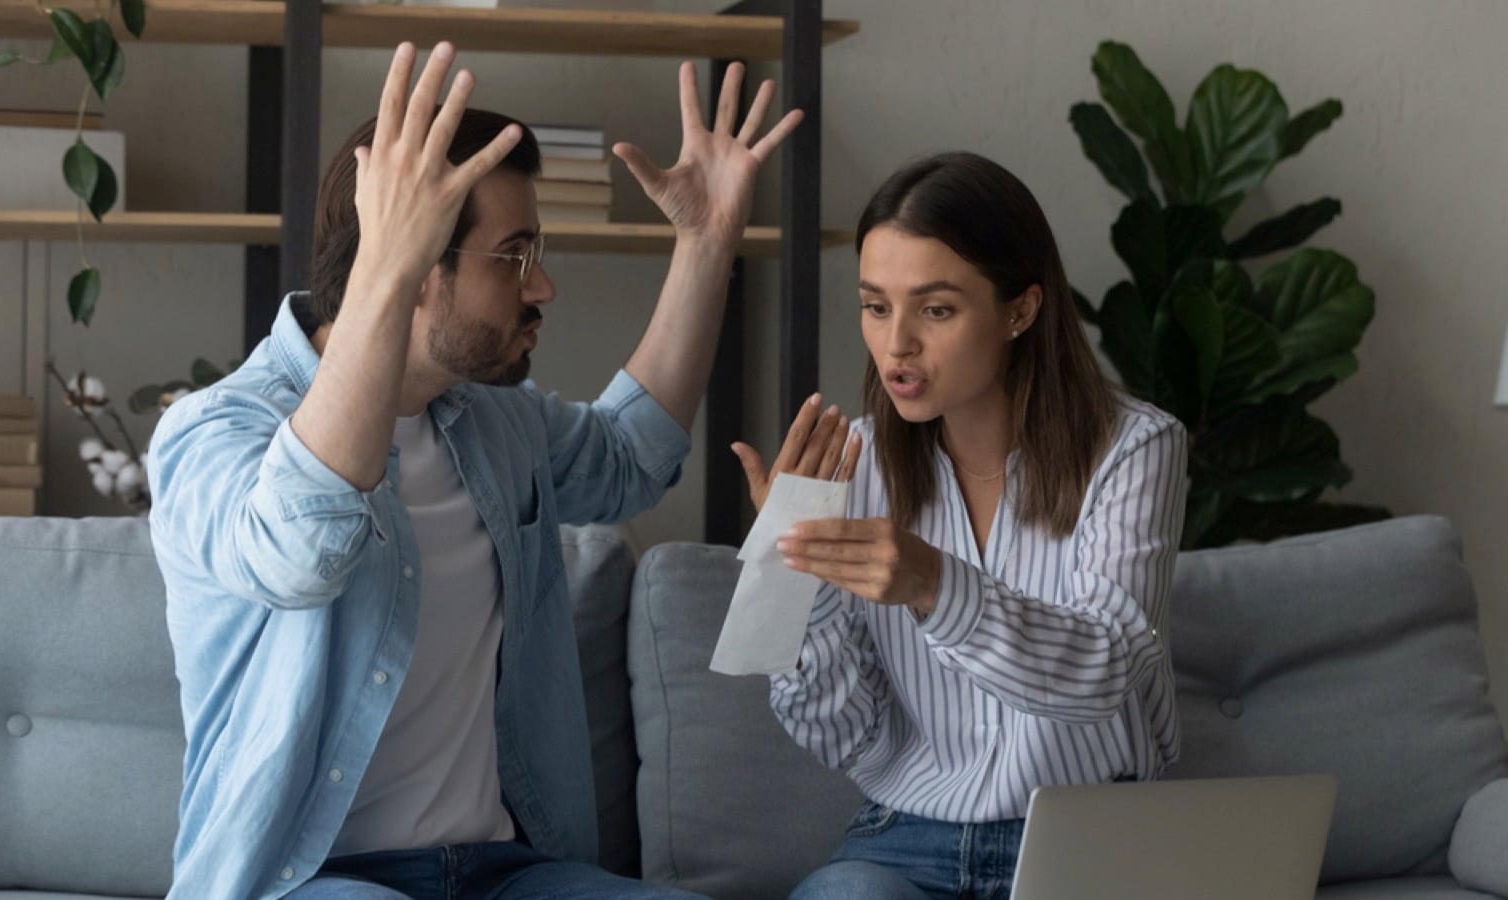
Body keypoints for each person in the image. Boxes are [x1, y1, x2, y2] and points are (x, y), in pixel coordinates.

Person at [147, 41, 800, 900]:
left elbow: (630, 457)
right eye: (515, 256)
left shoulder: (492, 419)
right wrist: (386, 264)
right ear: (416, 267)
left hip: (503, 872)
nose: (543, 289)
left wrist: (708, 241)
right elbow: (298, 555)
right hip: (306, 882)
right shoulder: (214, 431)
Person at [731, 152, 1189, 900]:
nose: (896, 345)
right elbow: (843, 735)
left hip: (1089, 839)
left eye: (935, 309)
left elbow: (1106, 668)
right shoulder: (852, 468)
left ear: (1021, 310)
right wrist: (792, 574)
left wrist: (934, 584)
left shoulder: (1137, 448)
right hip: (903, 840)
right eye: (876, 306)